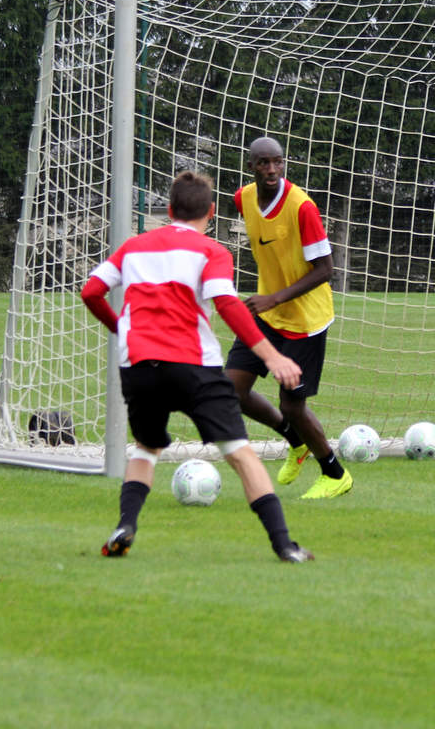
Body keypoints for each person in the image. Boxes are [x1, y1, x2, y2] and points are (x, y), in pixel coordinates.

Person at [81, 170, 312, 563]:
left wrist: (121, 328)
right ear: (209, 213)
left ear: (169, 209)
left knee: (146, 447)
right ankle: (284, 545)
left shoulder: (133, 247)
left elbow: (91, 290)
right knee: (240, 453)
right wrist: (272, 357)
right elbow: (226, 303)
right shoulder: (212, 251)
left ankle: (125, 525)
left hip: (139, 365)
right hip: (193, 366)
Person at [226, 137, 351, 500]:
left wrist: (274, 297)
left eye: (277, 162)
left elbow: (326, 269)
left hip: (305, 320)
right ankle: (297, 444)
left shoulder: (301, 207)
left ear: (284, 164)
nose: (271, 170)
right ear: (251, 166)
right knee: (231, 390)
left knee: (291, 404)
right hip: (267, 313)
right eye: (263, 163)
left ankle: (335, 473)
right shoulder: (243, 198)